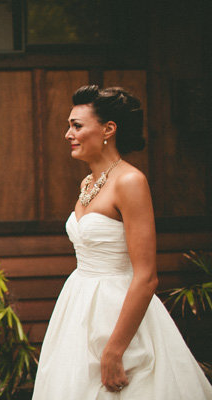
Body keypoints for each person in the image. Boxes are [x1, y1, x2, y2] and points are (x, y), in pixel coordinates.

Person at [32, 85, 212, 399]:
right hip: (78, 306)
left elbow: (146, 276)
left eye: (76, 125)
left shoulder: (130, 182)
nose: (67, 134)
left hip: (118, 311)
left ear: (108, 129)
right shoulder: (88, 182)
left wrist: (115, 350)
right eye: (69, 125)